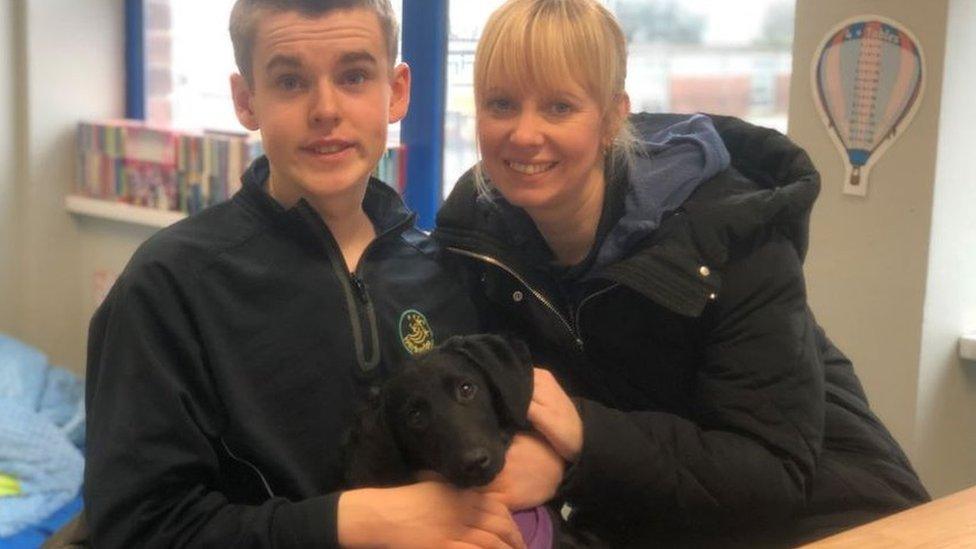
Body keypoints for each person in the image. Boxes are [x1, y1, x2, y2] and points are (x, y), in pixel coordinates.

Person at [434, 0, 931, 546]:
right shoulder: (479, 247)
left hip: (841, 517)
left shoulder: (729, 231)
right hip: (663, 517)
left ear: (611, 117)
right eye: (501, 103)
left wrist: (582, 440)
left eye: (558, 107)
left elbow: (773, 476)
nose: (525, 134)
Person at [83, 1, 526, 547]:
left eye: (354, 76)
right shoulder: (168, 285)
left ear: (397, 92)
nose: (325, 108)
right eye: (290, 81)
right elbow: (134, 529)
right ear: (248, 101)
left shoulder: (448, 274)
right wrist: (356, 523)